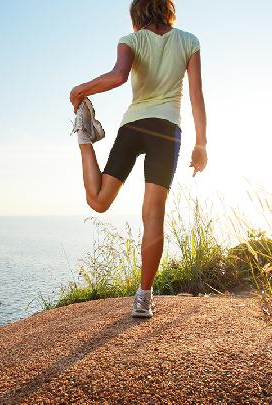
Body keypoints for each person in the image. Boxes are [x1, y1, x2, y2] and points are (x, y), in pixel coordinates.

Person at [69, 0, 207, 318]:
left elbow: (118, 76)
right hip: (168, 129)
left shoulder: (130, 40)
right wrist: (201, 143)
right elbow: (196, 94)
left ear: (137, 12)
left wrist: (80, 89)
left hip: (135, 125)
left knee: (99, 201)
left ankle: (84, 138)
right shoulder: (189, 41)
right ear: (167, 9)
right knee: (153, 214)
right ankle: (143, 298)